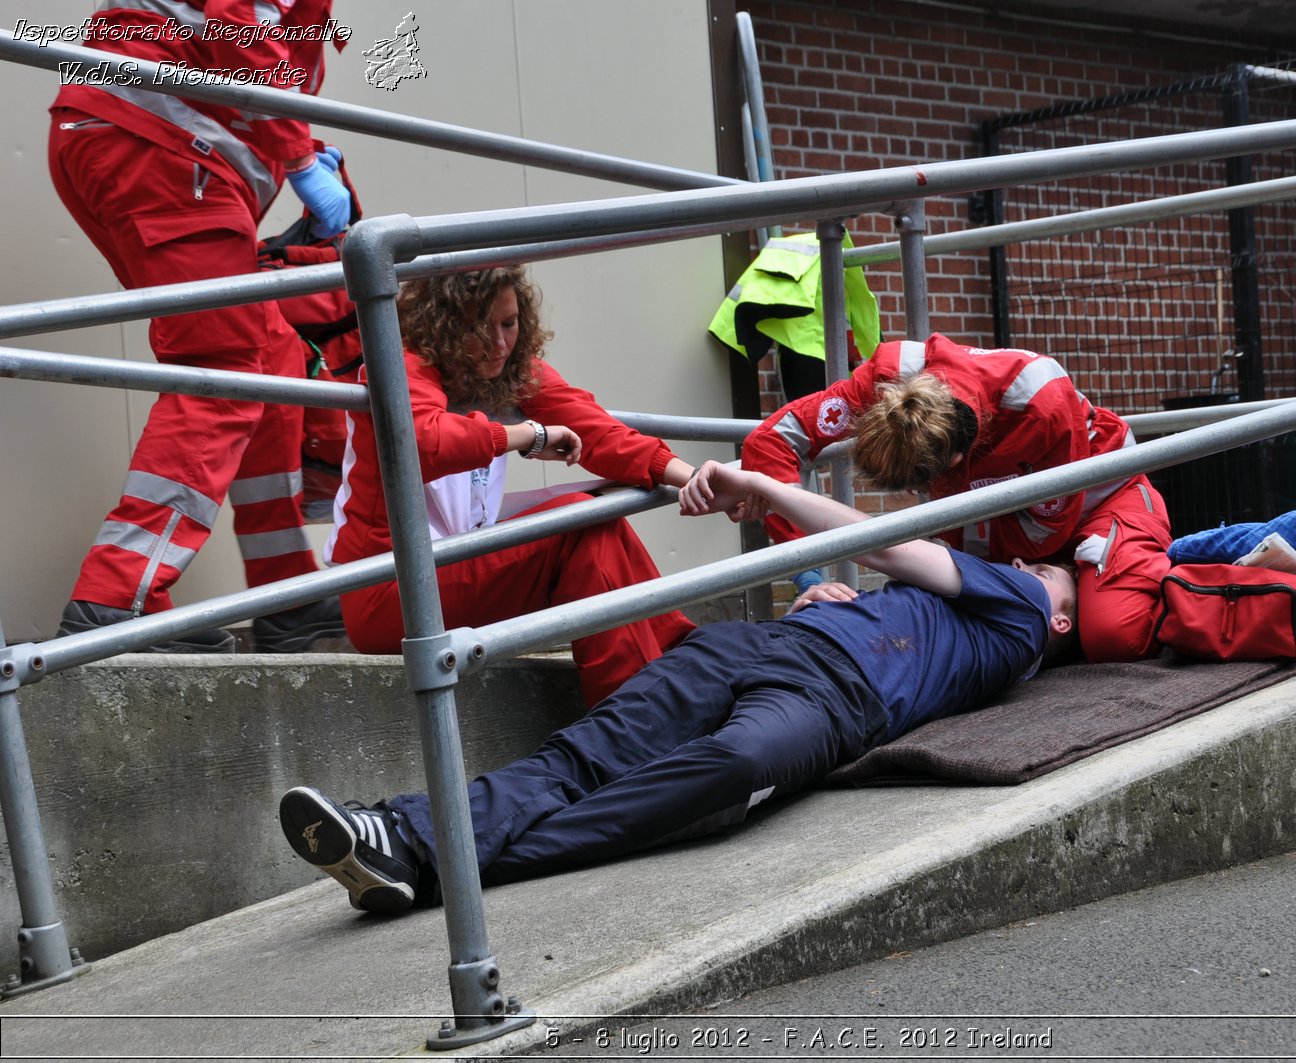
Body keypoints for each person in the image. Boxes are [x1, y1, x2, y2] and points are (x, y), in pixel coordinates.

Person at [279, 460, 1078, 913]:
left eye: (1042, 570)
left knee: (732, 765)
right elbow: (889, 572)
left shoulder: (1021, 616)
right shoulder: (970, 604)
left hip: (831, 702)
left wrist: (764, 491)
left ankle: (435, 856)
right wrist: (824, 597)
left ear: (1063, 623)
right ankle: (396, 835)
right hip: (765, 643)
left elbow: (887, 546)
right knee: (581, 759)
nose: (1020, 567)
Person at [48, 0, 352, 653]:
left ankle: (287, 591)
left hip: (139, 135)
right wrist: (300, 162)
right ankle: (116, 593)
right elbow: (237, 22)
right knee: (226, 361)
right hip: (154, 142)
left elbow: (231, 58)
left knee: (268, 351)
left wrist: (307, 151)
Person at [325, 267, 696, 708]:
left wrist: (691, 479)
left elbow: (597, 432)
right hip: (388, 594)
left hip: (452, 565)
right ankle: (642, 715)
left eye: (509, 323)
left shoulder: (509, 370)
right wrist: (527, 435)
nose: (500, 343)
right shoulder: (404, 364)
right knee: (577, 520)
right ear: (445, 324)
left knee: (594, 517)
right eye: (481, 327)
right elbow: (425, 442)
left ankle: (686, 669)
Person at [737, 333, 1170, 663]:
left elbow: (1039, 539)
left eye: (919, 486)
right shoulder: (879, 386)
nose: (916, 495)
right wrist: (811, 578)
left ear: (959, 458)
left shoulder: (1038, 403)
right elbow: (769, 444)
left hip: (1104, 502)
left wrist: (948, 569)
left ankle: (1205, 576)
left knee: (1114, 634)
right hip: (1001, 524)